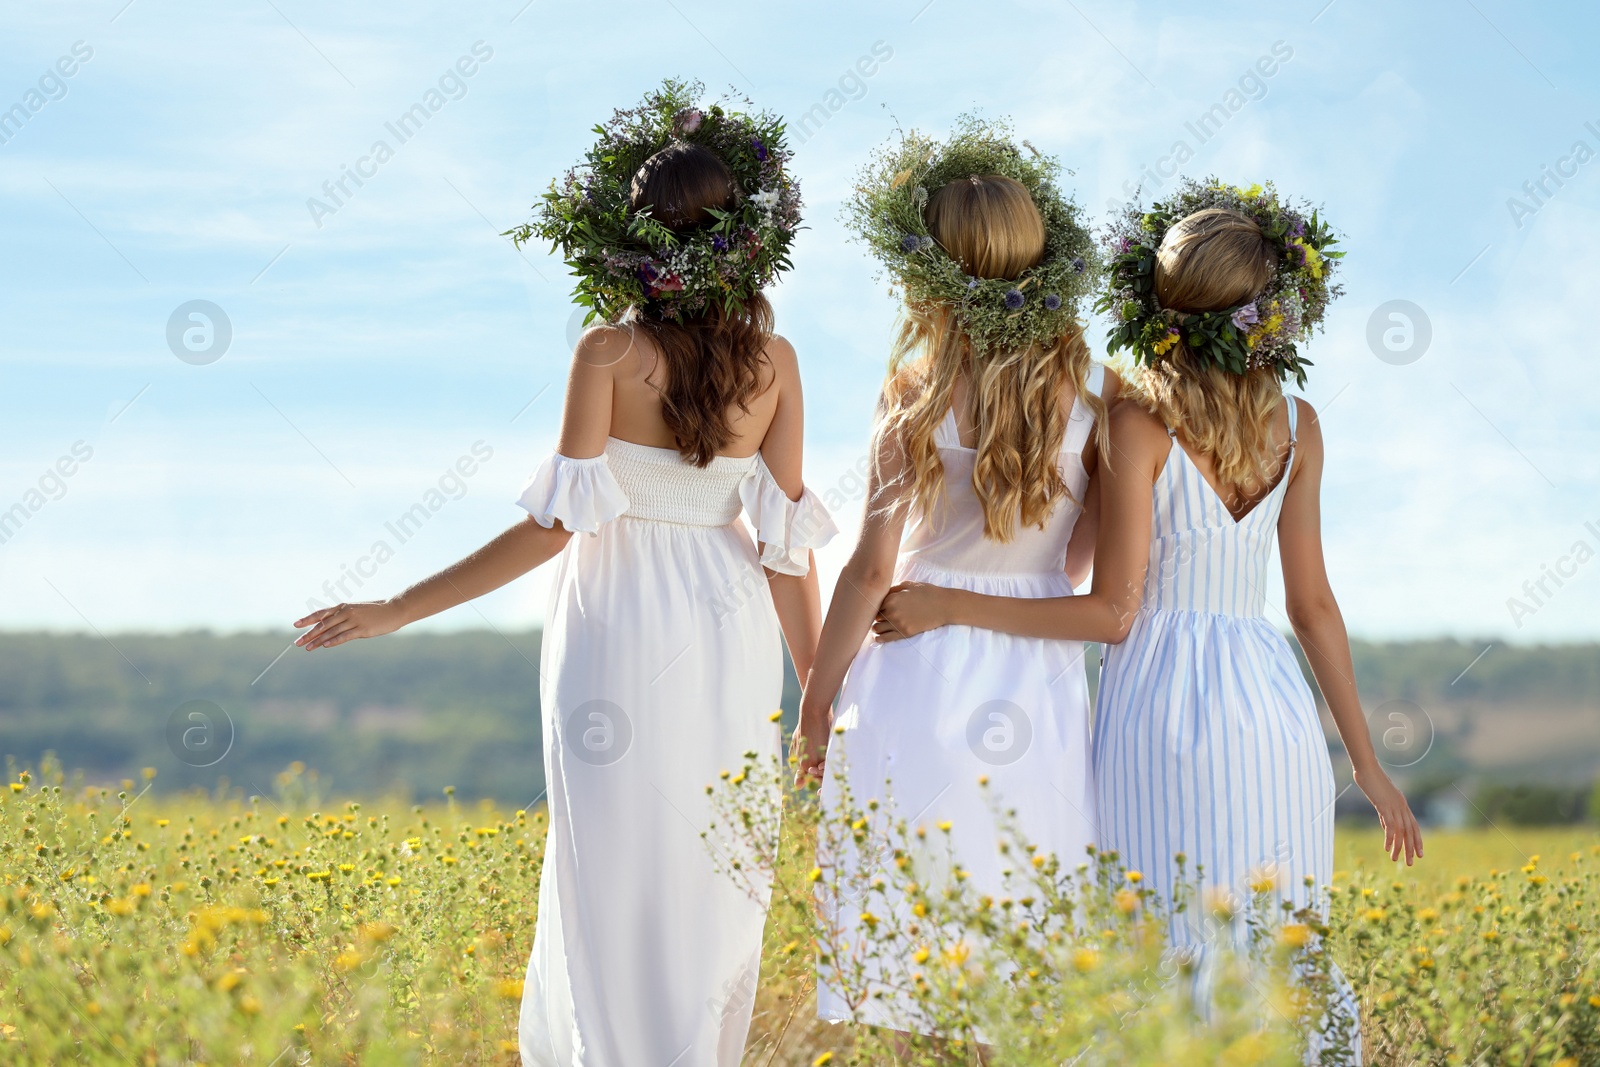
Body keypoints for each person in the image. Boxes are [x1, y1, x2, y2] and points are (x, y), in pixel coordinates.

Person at [293, 83, 834, 1067]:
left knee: (611, 851)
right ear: (747, 238)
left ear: (628, 237)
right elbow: (786, 547)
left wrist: (398, 607)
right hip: (727, 624)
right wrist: (819, 695)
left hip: (616, 616)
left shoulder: (607, 350)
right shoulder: (777, 361)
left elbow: (550, 531)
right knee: (716, 860)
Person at [877, 182, 1423, 1059]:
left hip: (1164, 704)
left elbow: (1110, 610)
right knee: (1283, 940)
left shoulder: (1140, 423)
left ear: (1162, 305)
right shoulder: (1299, 424)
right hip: (1276, 711)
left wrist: (951, 597)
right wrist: (1367, 764)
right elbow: (1312, 605)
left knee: (1164, 940)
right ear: (1269, 314)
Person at [794, 119, 1111, 1036]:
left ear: (931, 272)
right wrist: (1029, 571)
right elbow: (1081, 555)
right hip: (1037, 672)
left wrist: (816, 708)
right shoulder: (1097, 394)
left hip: (913, 664)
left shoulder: (915, 388)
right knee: (1018, 913)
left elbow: (865, 568)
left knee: (914, 926)